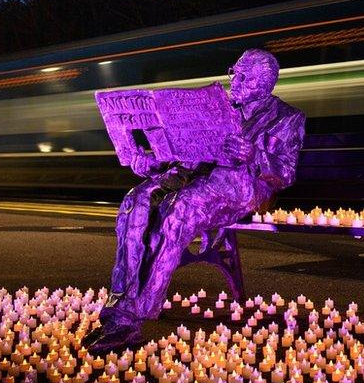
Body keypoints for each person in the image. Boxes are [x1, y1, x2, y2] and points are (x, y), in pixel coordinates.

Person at [88, 49, 305, 352]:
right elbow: (184, 151)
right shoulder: (219, 107)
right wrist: (150, 161)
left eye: (243, 76)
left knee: (179, 210)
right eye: (234, 71)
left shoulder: (287, 118)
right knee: (135, 202)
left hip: (238, 186)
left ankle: (130, 319)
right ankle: (118, 304)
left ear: (264, 84)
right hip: (194, 174)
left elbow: (285, 172)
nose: (234, 79)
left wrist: (254, 155)